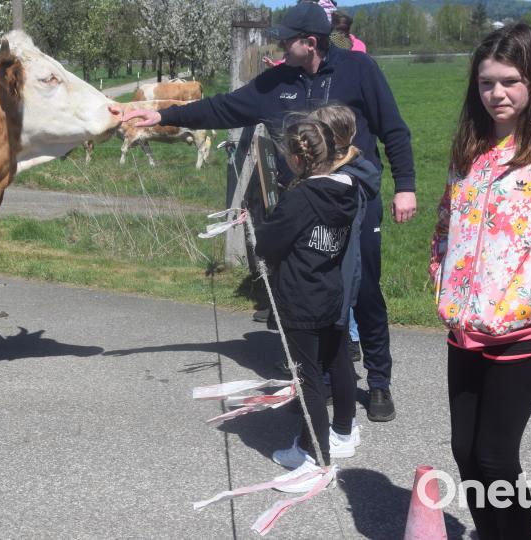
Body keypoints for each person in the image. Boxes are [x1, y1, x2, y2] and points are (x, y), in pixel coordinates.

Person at [122, 0, 415, 422]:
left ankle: (380, 382)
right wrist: (163, 114)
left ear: (309, 43)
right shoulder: (277, 82)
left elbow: (394, 130)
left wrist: (405, 188)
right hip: (303, 208)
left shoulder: (359, 71)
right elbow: (222, 108)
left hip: (355, 204)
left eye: (286, 38)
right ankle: (328, 378)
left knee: (364, 290)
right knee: (316, 295)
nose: (278, 44)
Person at [429, 23, 531, 538]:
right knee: (465, 453)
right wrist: (444, 284)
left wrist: (522, 302)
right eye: (486, 82)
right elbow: (444, 228)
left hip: (523, 336)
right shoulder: (469, 149)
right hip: (465, 330)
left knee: (496, 457)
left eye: (509, 81)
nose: (496, 93)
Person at [253, 108, 379, 493]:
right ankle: (318, 440)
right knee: (334, 361)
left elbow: (269, 244)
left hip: (302, 301)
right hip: (331, 294)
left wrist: (260, 223)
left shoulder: (301, 198)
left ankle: (317, 461)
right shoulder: (346, 188)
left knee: (307, 379)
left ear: (295, 159)